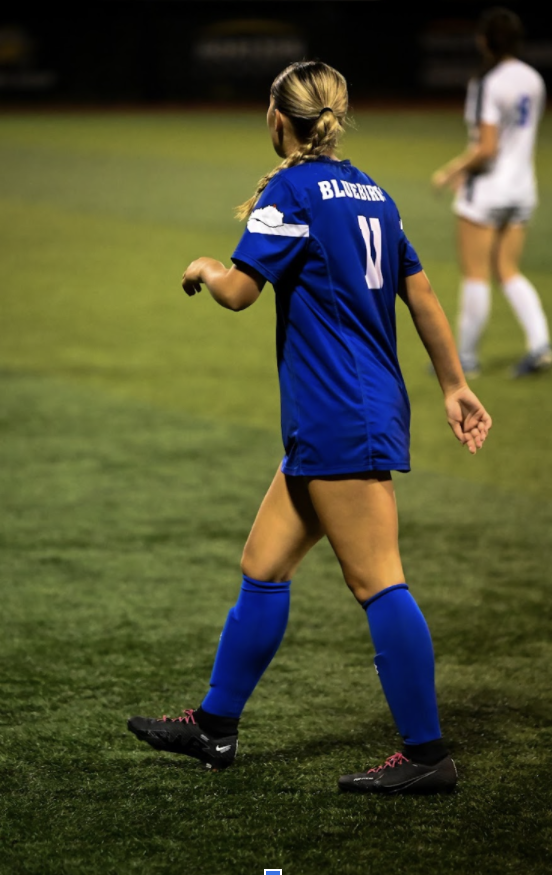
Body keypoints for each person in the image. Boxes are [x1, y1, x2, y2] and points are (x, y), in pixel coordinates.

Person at [128, 60, 492, 795]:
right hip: (341, 411)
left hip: (339, 413)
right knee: (263, 564)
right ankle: (215, 726)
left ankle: (427, 755)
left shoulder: (290, 189)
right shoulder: (375, 195)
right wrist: (452, 381)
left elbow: (238, 292)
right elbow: (419, 294)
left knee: (378, 581)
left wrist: (204, 264)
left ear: (278, 118)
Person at [432, 6, 551, 379]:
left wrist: (451, 171)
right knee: (508, 269)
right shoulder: (533, 78)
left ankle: (465, 359)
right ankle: (540, 344)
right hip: (522, 189)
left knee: (476, 274)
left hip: (487, 191)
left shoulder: (487, 82)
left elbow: (486, 147)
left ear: (483, 41)